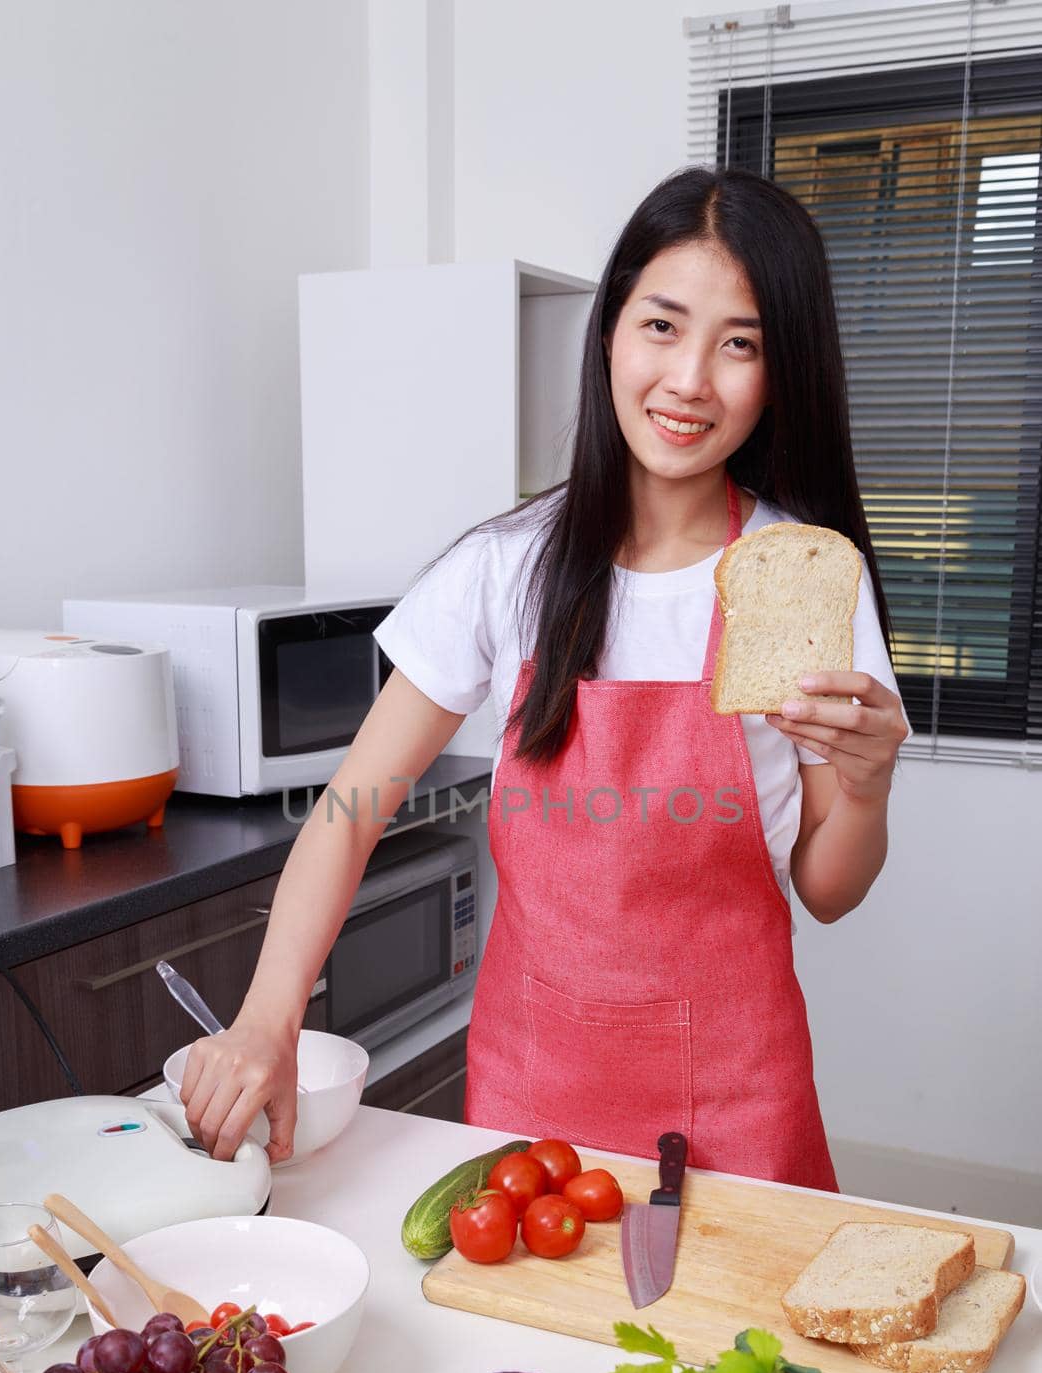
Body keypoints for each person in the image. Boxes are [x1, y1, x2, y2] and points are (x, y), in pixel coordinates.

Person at [181, 166, 911, 1187]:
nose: (690, 378)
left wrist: (868, 789)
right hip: (534, 1099)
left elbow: (827, 890)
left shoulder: (801, 580)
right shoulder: (506, 566)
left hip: (738, 1095)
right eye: (661, 325)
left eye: (737, 343)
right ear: (609, 330)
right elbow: (347, 810)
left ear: (779, 369)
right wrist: (267, 1023)